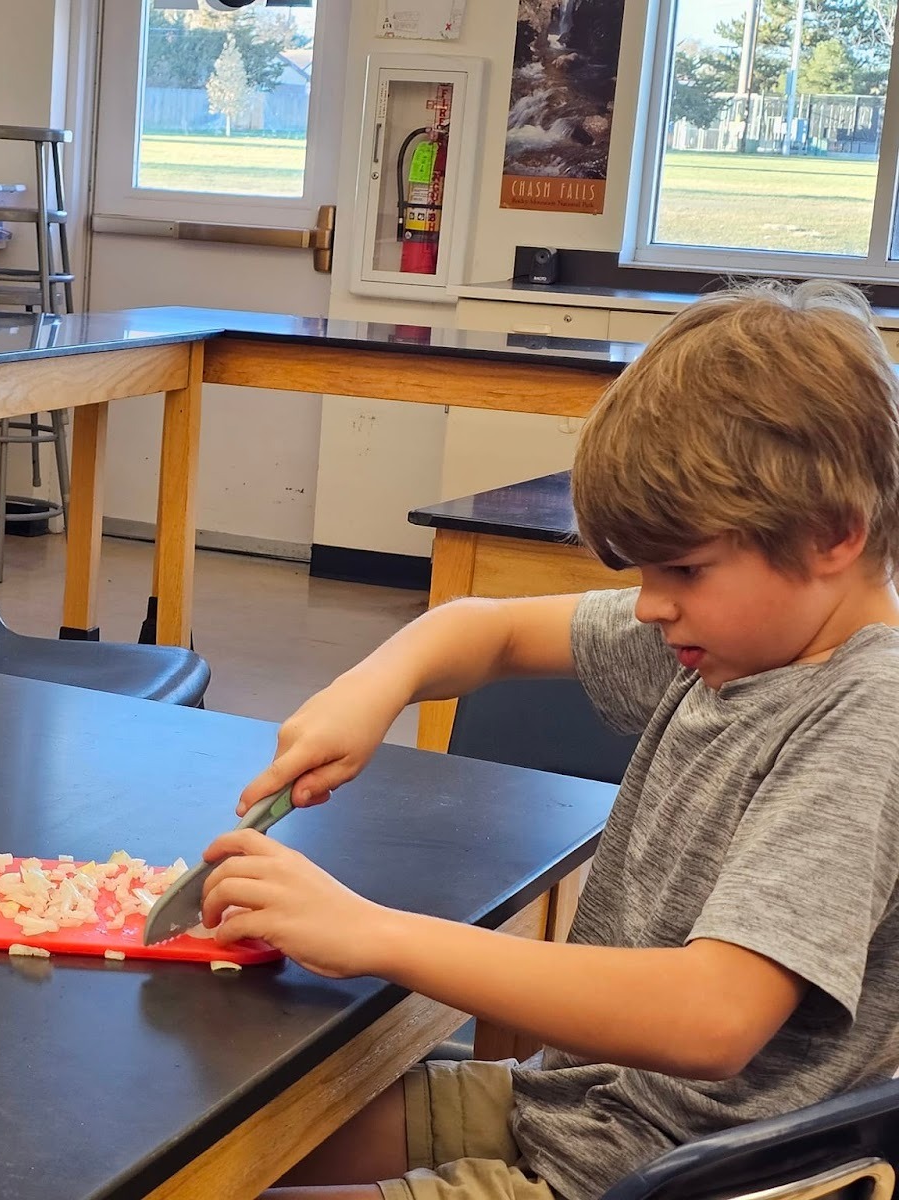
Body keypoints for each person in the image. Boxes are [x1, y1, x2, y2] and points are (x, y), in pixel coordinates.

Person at [201, 280, 899, 1200]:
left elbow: (712, 1020)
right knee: (217, 1150)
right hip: (580, 1114)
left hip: (660, 1178)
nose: (652, 605)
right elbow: (483, 630)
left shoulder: (867, 716)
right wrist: (370, 687)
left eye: (684, 567)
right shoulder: (737, 640)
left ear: (832, 537)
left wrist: (372, 933)